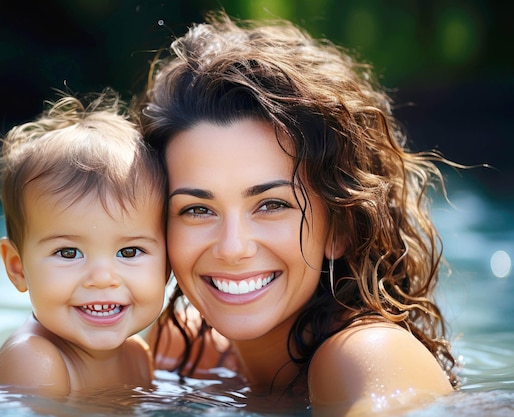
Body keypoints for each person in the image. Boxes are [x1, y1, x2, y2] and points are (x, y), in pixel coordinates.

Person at [135, 11, 459, 415]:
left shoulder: (368, 357)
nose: (232, 247)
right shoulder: (184, 348)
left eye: (272, 205)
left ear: (339, 227)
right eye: (197, 209)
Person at [0, 89, 168, 397]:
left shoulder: (137, 357)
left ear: (167, 266)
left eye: (129, 251)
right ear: (17, 268)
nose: (102, 278)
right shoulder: (34, 362)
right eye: (68, 252)